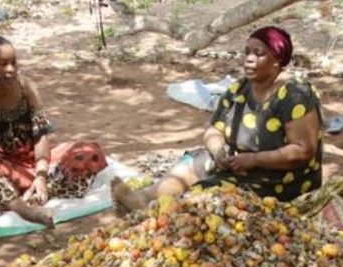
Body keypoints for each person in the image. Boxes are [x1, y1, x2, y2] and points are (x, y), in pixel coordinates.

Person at [111, 26, 323, 211]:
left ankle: (163, 213)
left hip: (281, 178)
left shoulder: (295, 95)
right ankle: (145, 199)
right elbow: (214, 129)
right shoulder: (239, 89)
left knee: (205, 198)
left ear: (277, 60)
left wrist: (253, 160)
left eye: (259, 54)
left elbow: (302, 150)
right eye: (247, 52)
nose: (249, 59)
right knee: (194, 162)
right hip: (239, 163)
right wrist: (218, 151)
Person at [0, 35, 108, 227]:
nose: (11, 70)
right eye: (2, 64)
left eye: (13, 63)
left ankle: (39, 191)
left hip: (32, 164)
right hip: (1, 171)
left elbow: (40, 134)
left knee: (88, 151)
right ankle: (21, 208)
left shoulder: (25, 86)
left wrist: (41, 176)